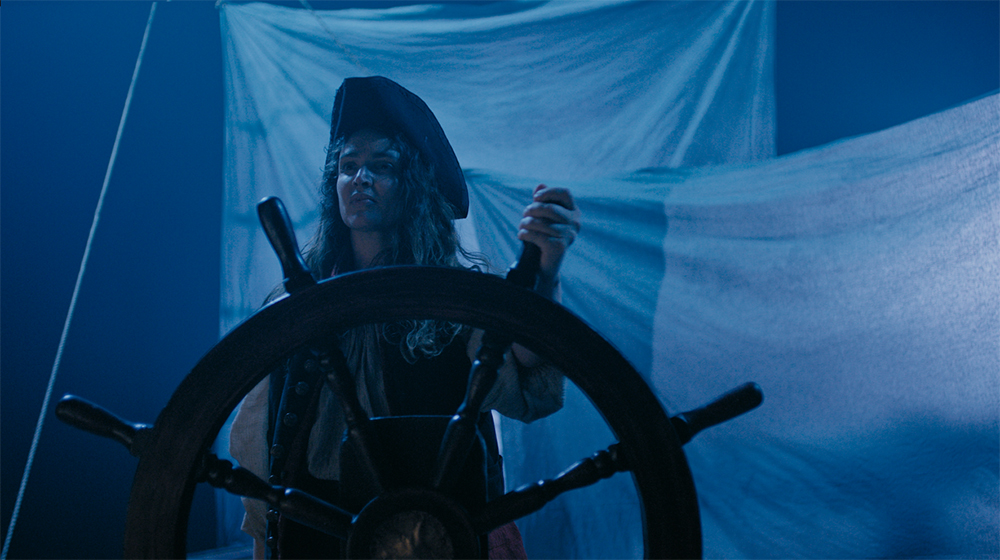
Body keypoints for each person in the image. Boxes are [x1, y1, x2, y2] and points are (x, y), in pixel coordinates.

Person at [229, 76, 581, 559]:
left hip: (436, 535)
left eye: (382, 166)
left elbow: (529, 369)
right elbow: (257, 450)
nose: (361, 179)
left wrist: (545, 271)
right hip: (318, 537)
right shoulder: (296, 311)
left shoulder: (456, 302)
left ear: (413, 185)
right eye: (348, 166)